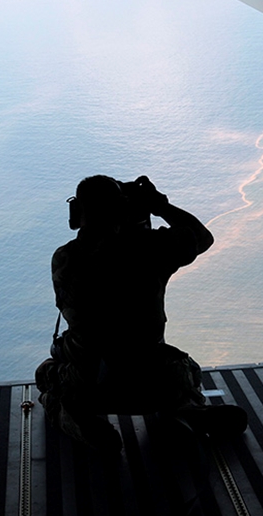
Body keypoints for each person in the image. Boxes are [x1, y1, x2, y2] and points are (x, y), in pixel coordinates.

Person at [36, 175, 248, 452]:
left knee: (46, 374)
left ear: (76, 212)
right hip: (153, 385)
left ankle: (80, 423)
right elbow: (201, 236)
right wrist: (158, 205)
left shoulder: (64, 258)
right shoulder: (152, 249)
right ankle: (189, 412)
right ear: (123, 210)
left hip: (93, 387)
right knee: (185, 367)